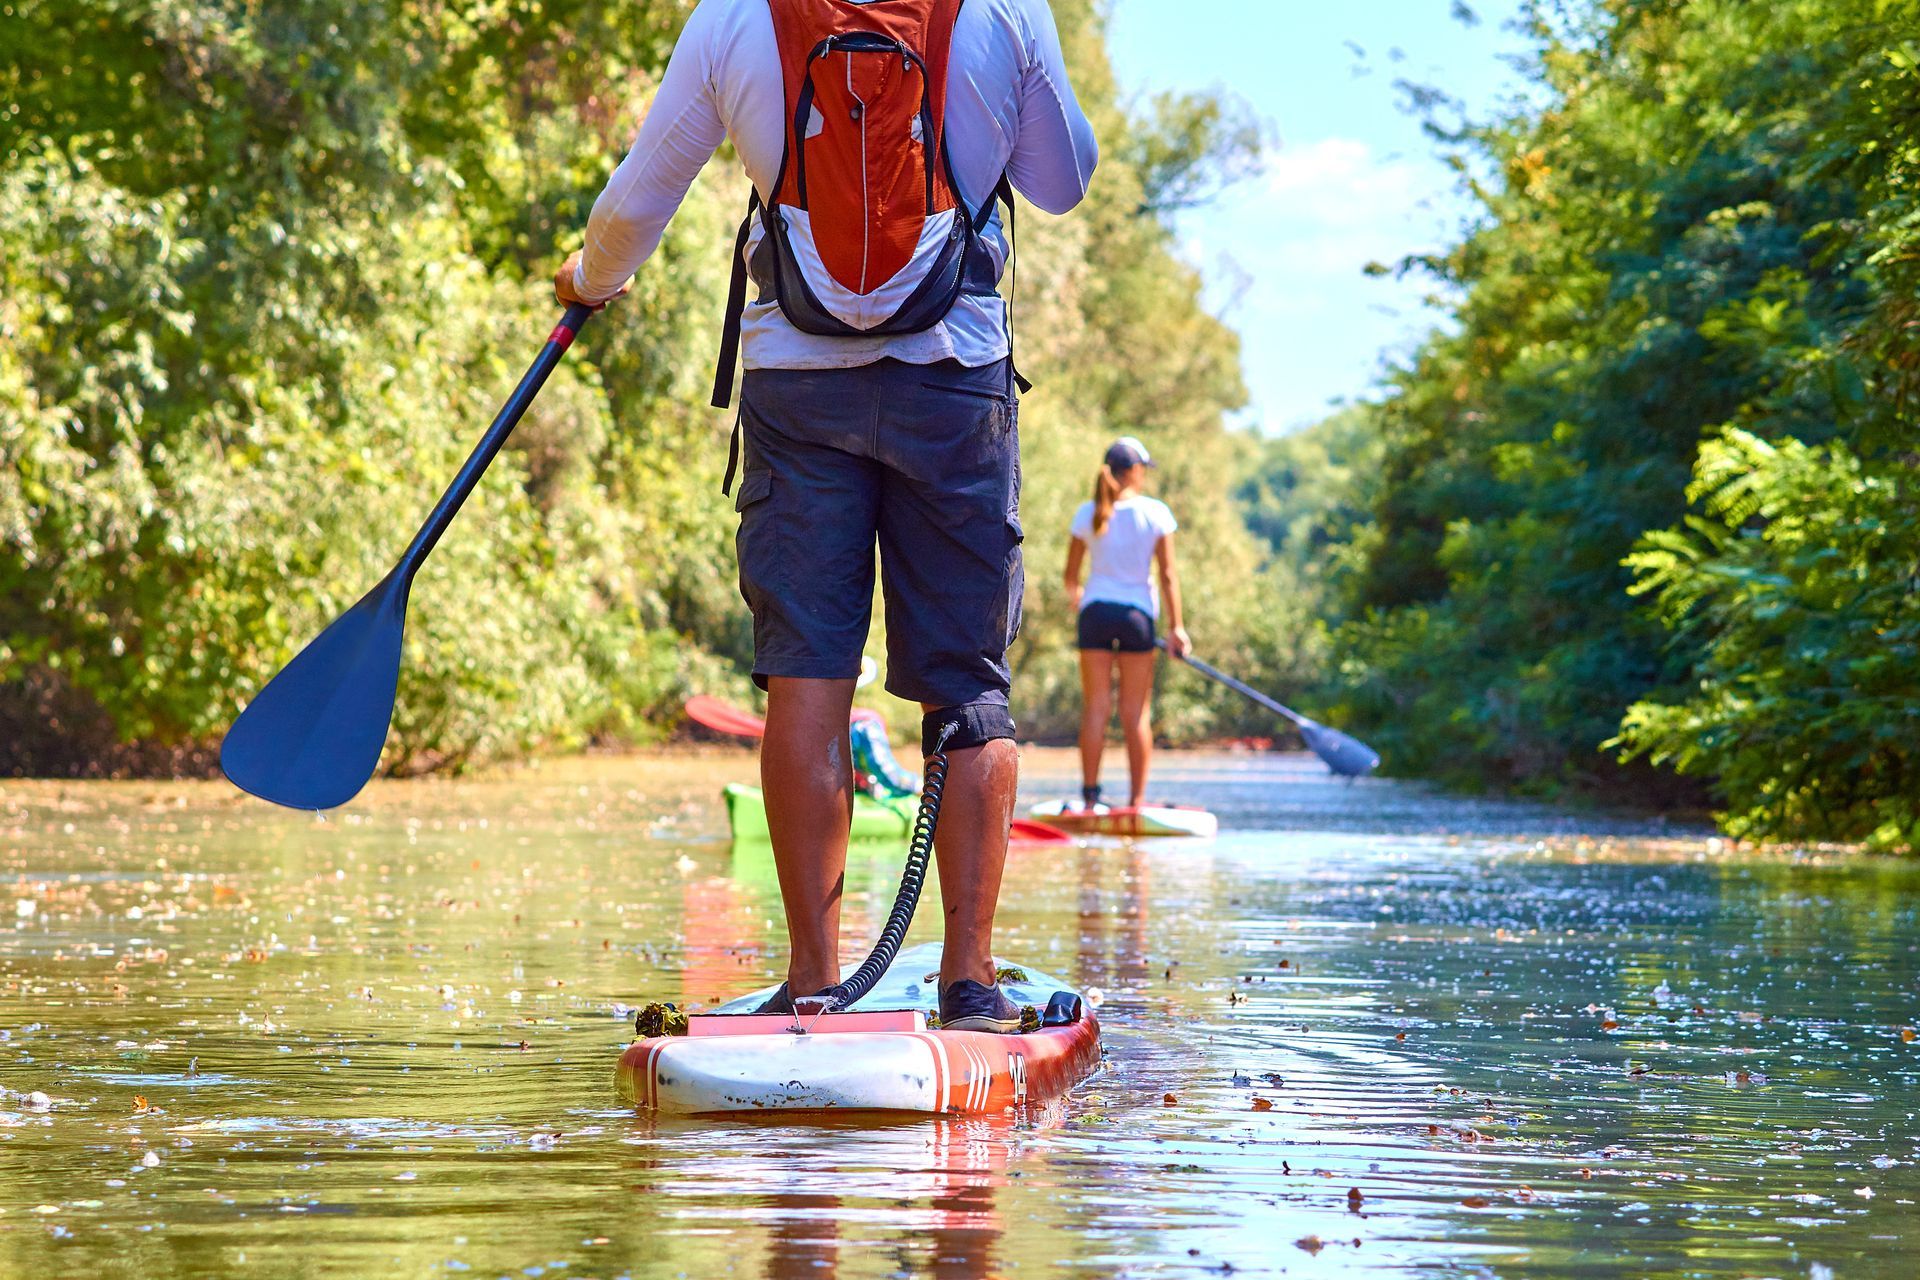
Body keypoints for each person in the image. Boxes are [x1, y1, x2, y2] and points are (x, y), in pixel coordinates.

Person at [553, 0, 1097, 1033]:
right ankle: (970, 986)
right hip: (955, 387)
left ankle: (812, 979)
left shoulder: (734, 17)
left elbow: (639, 197)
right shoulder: (1005, 9)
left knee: (806, 677)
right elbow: (1061, 182)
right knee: (969, 688)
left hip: (799, 392)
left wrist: (590, 280)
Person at [1063, 436, 1188, 810]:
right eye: (1143, 470)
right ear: (1134, 471)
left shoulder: (1087, 512)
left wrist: (1079, 603)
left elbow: (1070, 577)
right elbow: (1167, 576)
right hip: (1136, 618)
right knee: (1135, 714)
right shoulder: (1156, 513)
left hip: (1096, 613)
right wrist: (1177, 628)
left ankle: (1089, 800)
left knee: (1096, 708)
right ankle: (1135, 803)